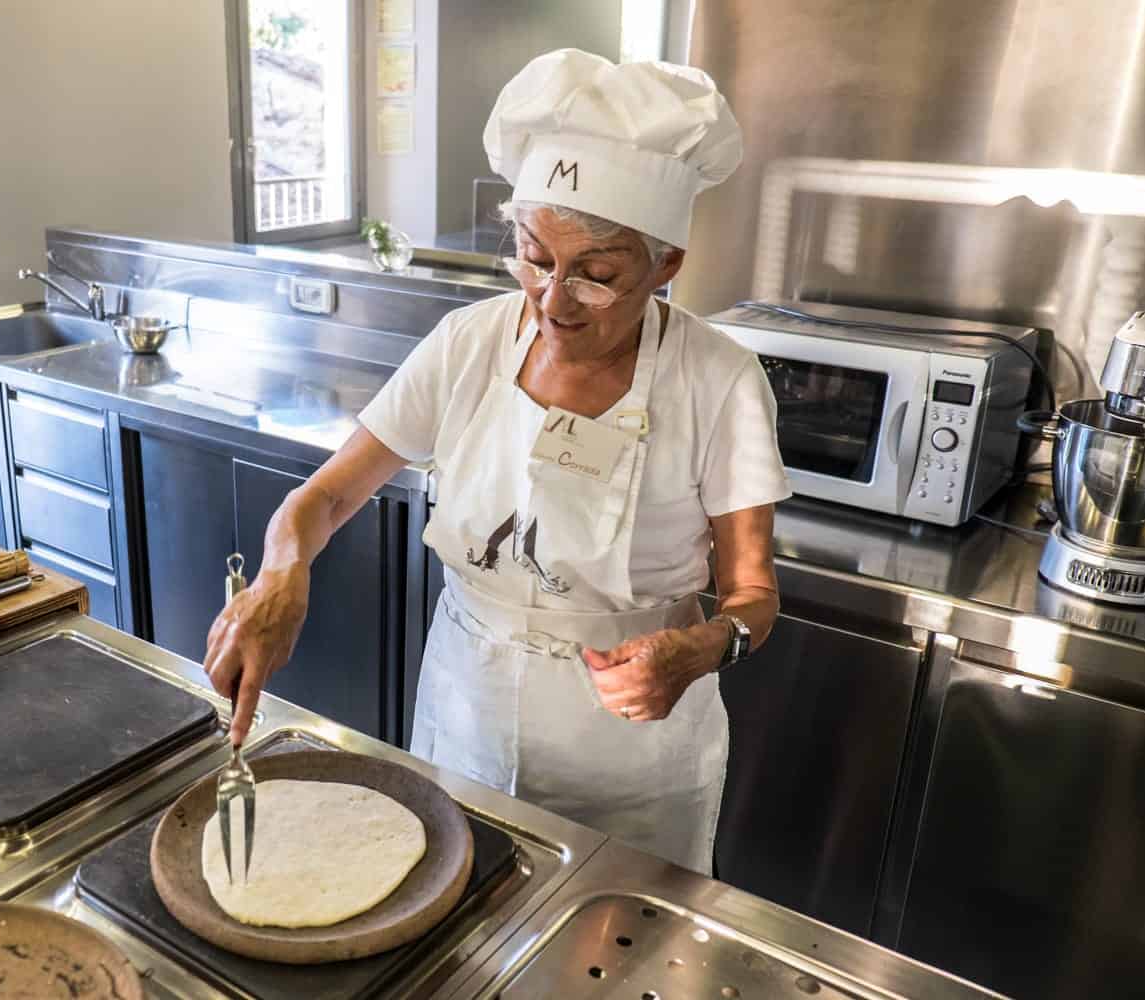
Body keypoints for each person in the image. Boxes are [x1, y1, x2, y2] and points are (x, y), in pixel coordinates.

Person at [204, 49, 790, 874]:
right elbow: (327, 498)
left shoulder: (720, 380)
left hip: (632, 753)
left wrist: (706, 648)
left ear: (666, 267)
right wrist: (279, 573)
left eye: (595, 276)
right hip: (465, 714)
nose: (552, 301)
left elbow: (754, 594)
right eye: (533, 257)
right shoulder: (470, 343)